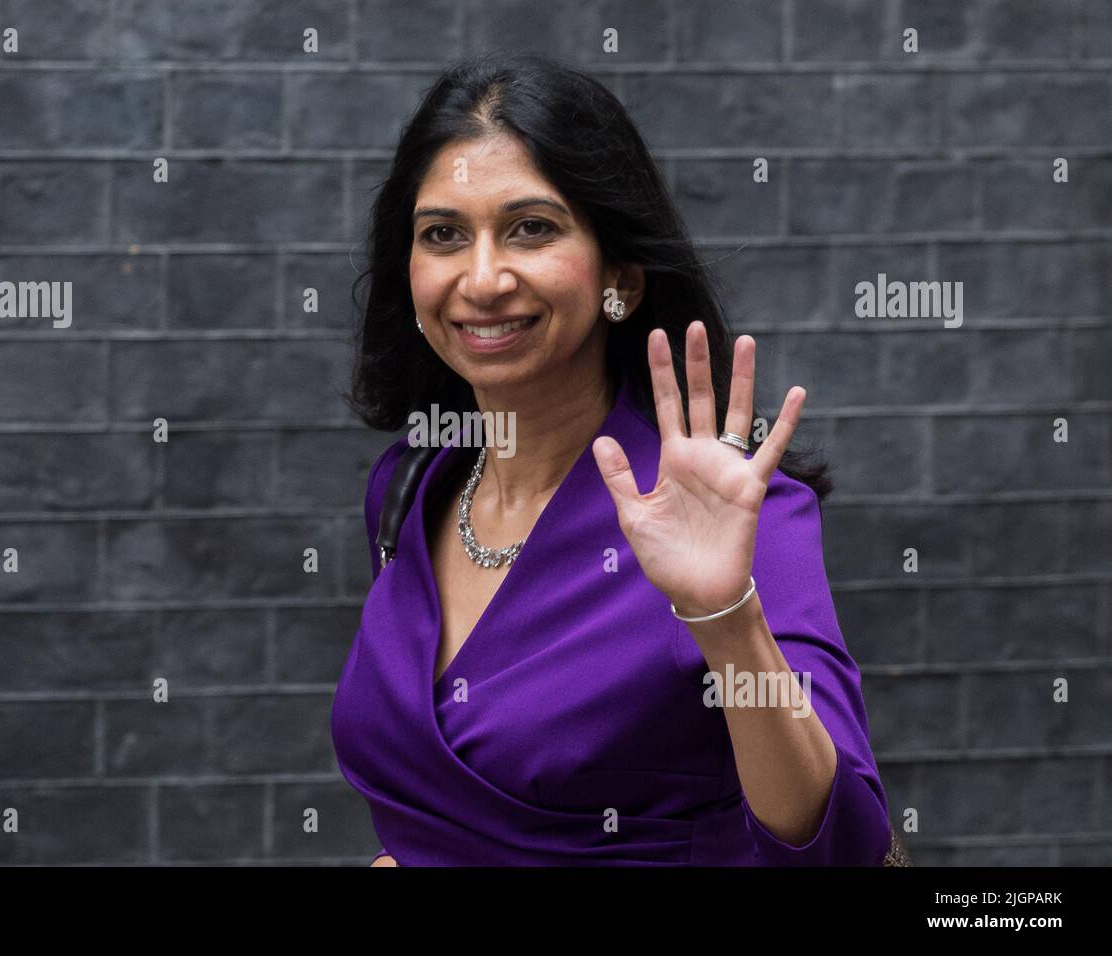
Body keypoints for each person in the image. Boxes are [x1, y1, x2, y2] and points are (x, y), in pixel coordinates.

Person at [331, 52, 892, 866]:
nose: (482, 278)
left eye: (532, 227)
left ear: (618, 278)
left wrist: (725, 618)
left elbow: (837, 839)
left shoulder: (728, 510)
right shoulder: (412, 488)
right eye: (443, 235)